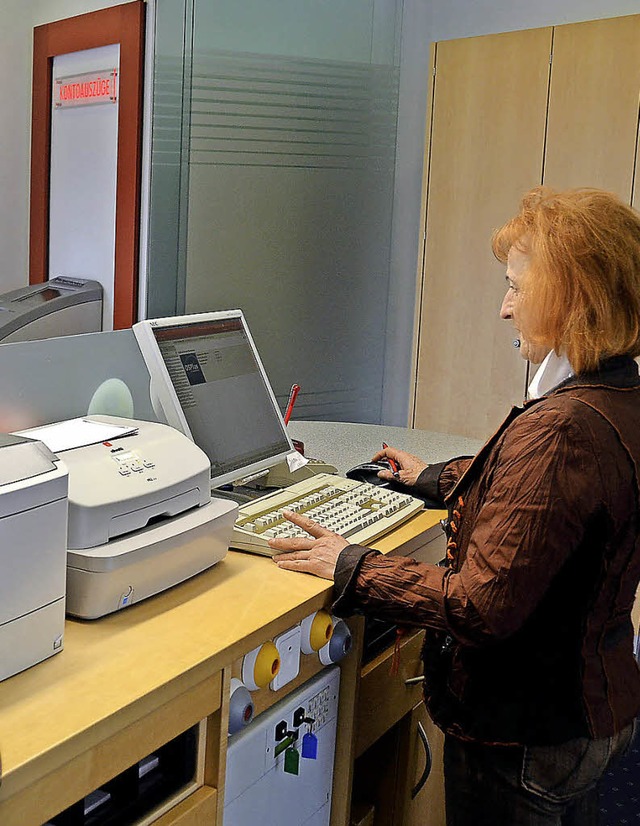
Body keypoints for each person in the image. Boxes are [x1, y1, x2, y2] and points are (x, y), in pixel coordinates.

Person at [268, 186, 640, 826]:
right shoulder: (619, 392)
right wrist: (438, 478)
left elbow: (477, 604)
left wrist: (349, 563)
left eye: (516, 289)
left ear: (569, 301)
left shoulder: (562, 429)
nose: (504, 309)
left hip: (528, 733)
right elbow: (554, 503)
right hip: (594, 706)